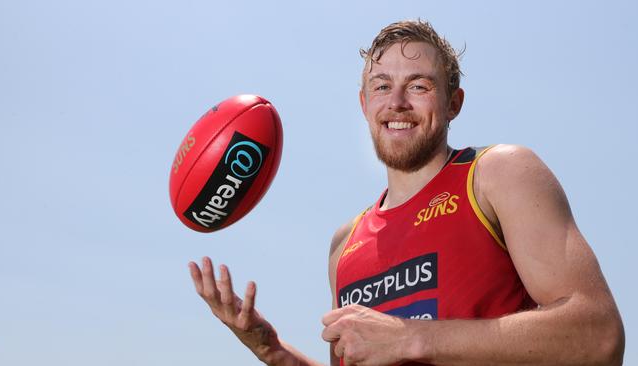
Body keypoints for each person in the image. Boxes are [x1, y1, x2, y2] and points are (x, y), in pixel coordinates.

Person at [187, 20, 625, 366]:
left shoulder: (497, 173)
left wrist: (411, 337)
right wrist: (272, 351)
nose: (396, 101)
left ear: (454, 102)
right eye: (381, 86)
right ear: (364, 104)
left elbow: (599, 337)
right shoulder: (345, 244)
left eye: (419, 85)